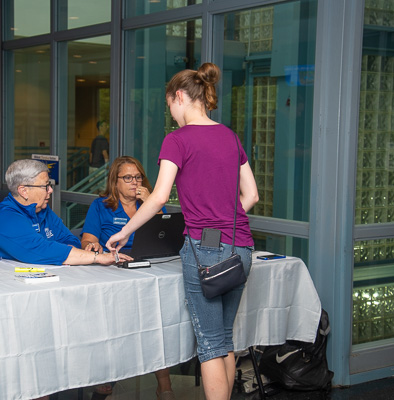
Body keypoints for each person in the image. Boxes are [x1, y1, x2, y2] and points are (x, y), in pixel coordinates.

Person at [106, 63, 259, 400]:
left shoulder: (177, 140)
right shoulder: (231, 137)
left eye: (169, 106)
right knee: (225, 340)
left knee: (209, 344)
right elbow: (252, 196)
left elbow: (158, 196)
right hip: (243, 248)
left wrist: (124, 232)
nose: (172, 115)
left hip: (204, 250)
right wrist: (224, 220)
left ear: (179, 97)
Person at [80, 156, 175, 400]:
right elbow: (88, 240)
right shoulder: (101, 206)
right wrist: (101, 250)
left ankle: (164, 384)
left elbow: (162, 236)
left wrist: (150, 204)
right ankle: (105, 376)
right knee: (108, 323)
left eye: (138, 177)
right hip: (111, 268)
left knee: (156, 321)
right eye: (128, 178)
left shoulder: (151, 204)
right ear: (115, 181)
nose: (134, 182)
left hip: (146, 266)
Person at [0, 159, 131, 266]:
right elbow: (39, 250)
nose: (50, 190)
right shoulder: (4, 217)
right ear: (23, 191)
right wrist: (96, 258)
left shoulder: (42, 210)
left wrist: (81, 251)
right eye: (45, 186)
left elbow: (69, 239)